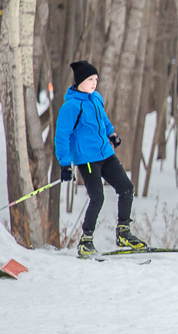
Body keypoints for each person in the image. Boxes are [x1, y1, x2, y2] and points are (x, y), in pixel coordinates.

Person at [54, 61, 148, 259]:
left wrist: (111, 134)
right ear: (80, 81)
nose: (94, 83)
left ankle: (123, 232)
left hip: (106, 154)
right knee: (97, 197)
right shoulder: (71, 107)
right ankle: (86, 240)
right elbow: (62, 136)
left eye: (96, 79)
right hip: (87, 159)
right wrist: (65, 164)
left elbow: (103, 119)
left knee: (127, 188)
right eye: (90, 79)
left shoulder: (96, 98)